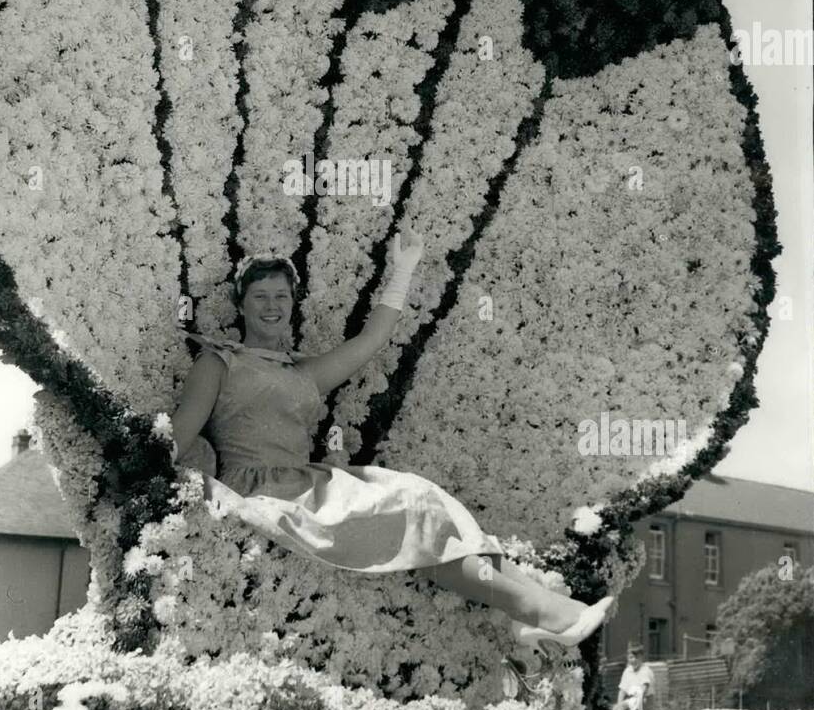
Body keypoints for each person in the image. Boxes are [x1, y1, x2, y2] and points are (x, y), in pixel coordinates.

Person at [169, 225, 612, 652]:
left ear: (293, 303)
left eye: (281, 296)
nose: (272, 306)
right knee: (410, 512)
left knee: (424, 498)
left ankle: (544, 612)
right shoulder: (218, 363)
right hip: (265, 495)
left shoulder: (303, 371)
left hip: (311, 483)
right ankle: (543, 614)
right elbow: (176, 437)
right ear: (241, 305)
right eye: (260, 296)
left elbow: (373, 339)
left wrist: (403, 269)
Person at [613, 643, 654, 710]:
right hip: (634, 700)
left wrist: (625, 706)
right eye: (631, 657)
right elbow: (622, 691)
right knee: (616, 708)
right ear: (627, 658)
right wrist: (618, 705)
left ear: (642, 658)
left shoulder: (645, 670)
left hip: (644, 701)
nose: (634, 660)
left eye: (637, 657)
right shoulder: (627, 671)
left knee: (623, 706)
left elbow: (643, 690)